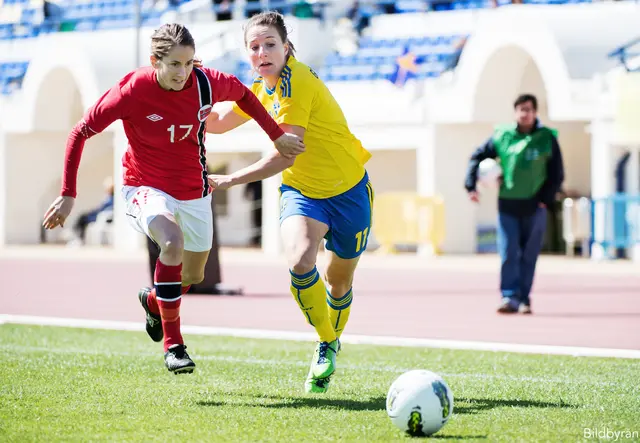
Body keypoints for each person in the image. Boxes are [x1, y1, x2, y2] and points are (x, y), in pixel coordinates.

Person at [42, 23, 305, 374]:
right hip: (144, 186)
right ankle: (174, 345)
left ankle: (153, 300)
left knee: (193, 275)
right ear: (155, 61)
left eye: (189, 63)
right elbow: (80, 132)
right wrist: (68, 194)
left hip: (194, 190)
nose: (184, 72)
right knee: (172, 242)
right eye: (175, 64)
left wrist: (275, 136)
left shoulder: (206, 82)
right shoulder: (132, 90)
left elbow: (244, 94)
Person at [205, 11, 374, 393]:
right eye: (254, 47)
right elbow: (218, 122)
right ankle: (327, 344)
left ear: (286, 47)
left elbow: (286, 154)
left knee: (338, 281)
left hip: (349, 192)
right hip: (302, 194)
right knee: (300, 261)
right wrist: (183, 98)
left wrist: (230, 179)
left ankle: (328, 341)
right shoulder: (263, 86)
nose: (262, 52)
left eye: (269, 45)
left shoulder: (296, 80)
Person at [464, 93, 564, 315]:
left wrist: (544, 200)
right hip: (508, 205)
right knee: (509, 252)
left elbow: (556, 173)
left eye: (529, 109)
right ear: (515, 112)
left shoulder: (547, 137)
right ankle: (509, 297)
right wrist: (471, 185)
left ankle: (524, 297)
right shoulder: (502, 136)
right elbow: (477, 157)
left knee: (529, 255)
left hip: (535, 206)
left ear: (536, 112)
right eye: (521, 109)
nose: (525, 114)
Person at [68, 176, 115, 246]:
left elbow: (104, 208)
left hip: (102, 216)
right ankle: (77, 237)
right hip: (99, 214)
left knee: (82, 219)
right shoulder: (108, 197)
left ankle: (79, 238)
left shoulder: (113, 198)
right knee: (82, 216)